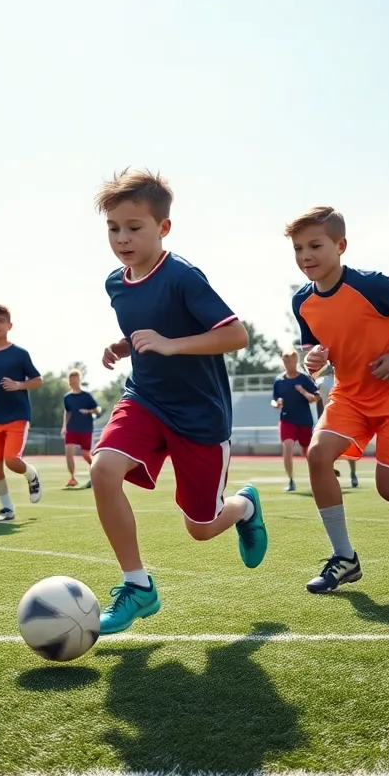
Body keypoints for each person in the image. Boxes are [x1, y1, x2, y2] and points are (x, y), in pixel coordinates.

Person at [90, 169, 267, 634]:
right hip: (145, 398)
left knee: (202, 527)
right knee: (103, 469)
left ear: (163, 228)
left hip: (199, 416)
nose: (122, 238)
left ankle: (245, 507)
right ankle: (138, 585)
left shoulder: (183, 275)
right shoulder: (114, 284)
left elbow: (235, 334)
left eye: (134, 227)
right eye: (113, 228)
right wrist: (126, 345)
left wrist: (170, 343)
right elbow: (147, 324)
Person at [288, 206, 389, 594]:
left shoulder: (372, 284)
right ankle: (344, 557)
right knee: (316, 454)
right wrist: (315, 360)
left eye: (315, 245)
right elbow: (316, 349)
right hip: (349, 395)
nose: (305, 256)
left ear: (341, 246)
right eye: (298, 248)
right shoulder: (301, 302)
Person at [0, 305, 43, 522]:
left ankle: (32, 475)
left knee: (12, 460)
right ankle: (7, 509)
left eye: (1, 321)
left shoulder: (19, 354)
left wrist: (18, 385)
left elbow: (38, 380)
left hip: (17, 415)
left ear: (9, 326)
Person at [271, 348, 319, 492]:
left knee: (307, 452)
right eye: (285, 361)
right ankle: (291, 480)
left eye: (290, 361)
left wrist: (303, 392)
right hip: (287, 419)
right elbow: (274, 400)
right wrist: (276, 404)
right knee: (288, 446)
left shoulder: (304, 378)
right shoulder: (279, 381)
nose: (287, 364)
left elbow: (316, 397)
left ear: (296, 361)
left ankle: (317, 477)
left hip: (304, 420)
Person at [315, 372, 358, 487]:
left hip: (341, 417)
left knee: (347, 446)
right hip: (329, 418)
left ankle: (352, 473)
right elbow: (316, 398)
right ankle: (334, 473)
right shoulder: (320, 381)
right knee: (327, 449)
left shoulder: (340, 378)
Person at [62, 369, 101, 488]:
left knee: (85, 454)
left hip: (85, 428)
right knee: (68, 451)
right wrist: (64, 426)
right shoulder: (67, 397)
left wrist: (88, 411)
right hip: (71, 428)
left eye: (75, 379)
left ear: (79, 380)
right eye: (71, 379)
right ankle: (72, 478)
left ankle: (99, 471)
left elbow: (97, 409)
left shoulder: (87, 395)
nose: (73, 381)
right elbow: (67, 412)